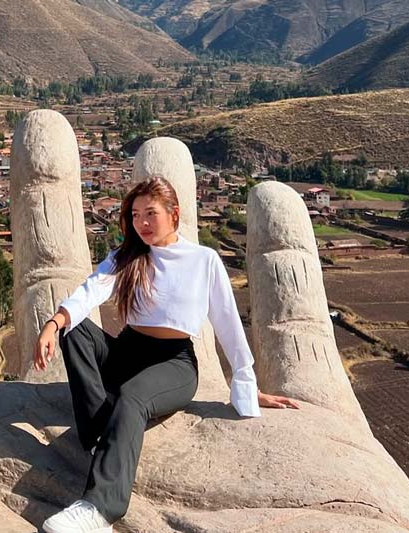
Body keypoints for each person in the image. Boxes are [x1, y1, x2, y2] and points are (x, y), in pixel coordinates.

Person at [34, 177, 300, 533]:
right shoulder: (127, 257)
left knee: (132, 398)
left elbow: (227, 323)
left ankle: (100, 510)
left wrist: (246, 386)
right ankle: (102, 429)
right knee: (74, 327)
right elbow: (89, 292)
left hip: (172, 363)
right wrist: (54, 324)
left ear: (174, 214)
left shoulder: (203, 260)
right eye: (135, 215)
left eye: (150, 214)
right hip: (126, 350)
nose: (141, 223)